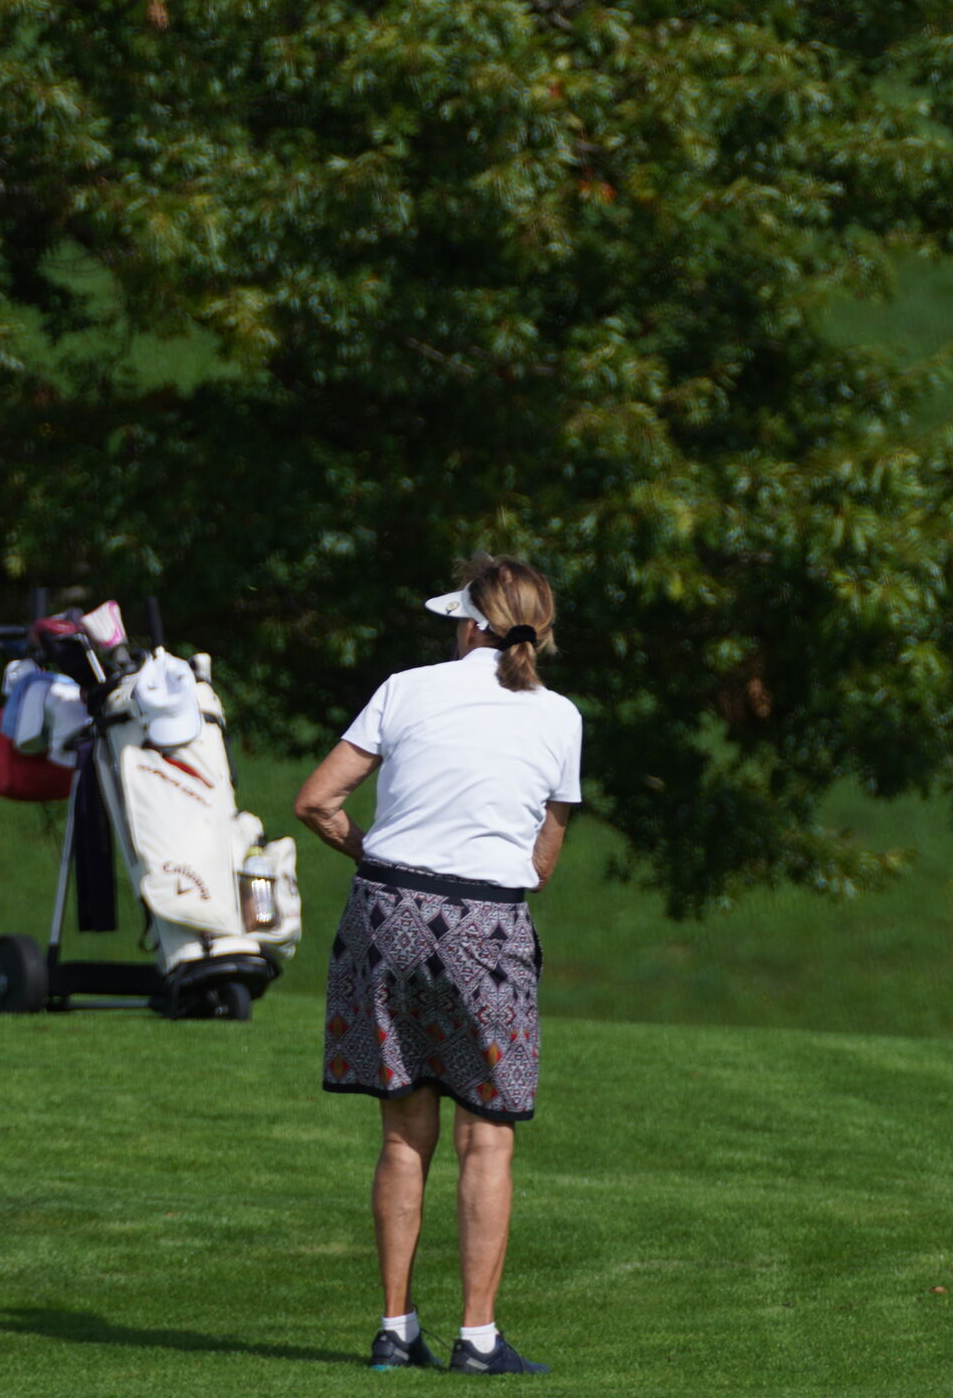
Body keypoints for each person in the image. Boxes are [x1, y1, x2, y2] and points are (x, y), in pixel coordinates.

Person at [293, 556, 580, 1376]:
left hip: (384, 911)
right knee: (485, 1135)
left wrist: (382, 858)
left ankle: (395, 1330)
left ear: (470, 624)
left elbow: (316, 801)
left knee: (402, 1130)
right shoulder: (560, 717)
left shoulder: (405, 689)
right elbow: (544, 858)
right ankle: (477, 1340)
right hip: (486, 921)